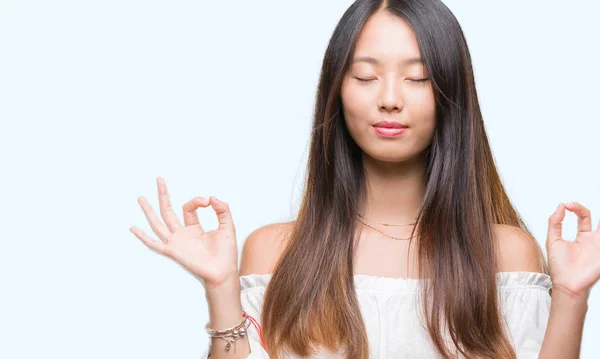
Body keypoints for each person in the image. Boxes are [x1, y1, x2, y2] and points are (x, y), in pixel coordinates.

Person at [129, 0, 600, 358]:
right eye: (365, 76)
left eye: (418, 78)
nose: (390, 99)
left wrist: (573, 297)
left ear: (450, 95)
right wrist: (221, 288)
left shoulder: (504, 253)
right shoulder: (276, 253)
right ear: (337, 90)